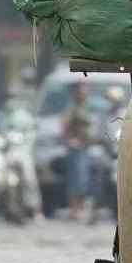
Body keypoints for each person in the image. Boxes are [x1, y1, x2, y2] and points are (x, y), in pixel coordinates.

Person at [58, 82, 97, 225]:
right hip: (76, 149)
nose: (84, 92)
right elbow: (64, 126)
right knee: (76, 179)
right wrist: (70, 141)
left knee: (84, 179)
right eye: (81, 89)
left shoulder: (86, 106)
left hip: (86, 148)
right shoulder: (72, 107)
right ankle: (74, 210)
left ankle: (80, 208)